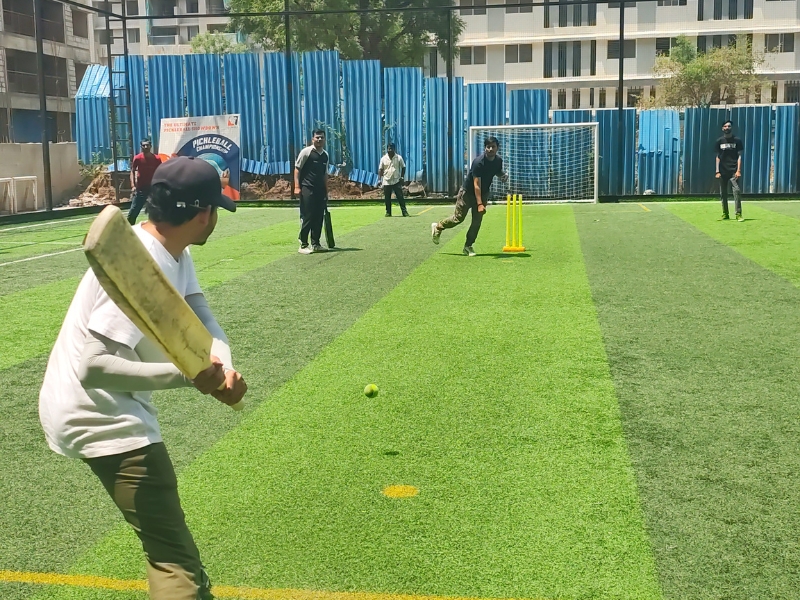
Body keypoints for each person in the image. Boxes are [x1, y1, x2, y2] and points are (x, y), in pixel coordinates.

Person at [39, 156, 247, 600]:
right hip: (98, 413)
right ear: (202, 213)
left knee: (172, 551)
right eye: (215, 208)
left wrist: (223, 367)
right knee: (176, 563)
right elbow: (94, 367)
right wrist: (189, 377)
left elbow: (199, 309)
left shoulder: (170, 250)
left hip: (103, 405)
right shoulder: (143, 264)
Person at [431, 136, 508, 256]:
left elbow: (496, 171)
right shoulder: (478, 163)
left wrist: (502, 175)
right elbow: (476, 185)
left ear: (497, 148)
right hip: (468, 193)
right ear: (485, 148)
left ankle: (468, 246)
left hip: (483, 193)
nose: (490, 149)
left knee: (477, 222)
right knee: (458, 218)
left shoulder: (498, 161)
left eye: (493, 147)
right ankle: (438, 226)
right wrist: (480, 204)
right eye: (488, 147)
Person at [294, 129, 329, 254]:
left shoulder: (325, 155)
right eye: (317, 137)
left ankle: (316, 244)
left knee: (318, 216)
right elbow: (297, 169)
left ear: (324, 139)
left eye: (322, 137)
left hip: (320, 190)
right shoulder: (306, 152)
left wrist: (326, 191)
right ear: (312, 139)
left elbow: (325, 174)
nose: (319, 139)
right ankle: (303, 244)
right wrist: (297, 187)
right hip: (307, 188)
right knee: (308, 215)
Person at [714, 120, 744, 221]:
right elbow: (717, 157)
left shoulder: (737, 141)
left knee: (737, 191)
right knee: (723, 193)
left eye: (729, 126)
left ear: (731, 128)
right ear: (722, 128)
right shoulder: (719, 141)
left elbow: (739, 156)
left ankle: (738, 214)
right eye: (725, 126)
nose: (727, 128)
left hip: (733, 171)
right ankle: (725, 213)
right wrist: (717, 171)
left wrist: (738, 170)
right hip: (722, 171)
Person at [128, 139, 162, 225]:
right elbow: (132, 171)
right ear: (141, 147)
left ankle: (157, 228)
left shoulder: (157, 159)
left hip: (153, 188)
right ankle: (129, 228)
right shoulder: (137, 158)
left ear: (151, 146)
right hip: (141, 188)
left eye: (147, 145)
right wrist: (133, 186)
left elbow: (160, 171)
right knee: (133, 211)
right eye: (144, 145)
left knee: (157, 210)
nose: (146, 147)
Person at [378, 143, 409, 217]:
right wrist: (379, 180)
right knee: (387, 198)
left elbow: (403, 167)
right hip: (387, 181)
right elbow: (380, 169)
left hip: (396, 180)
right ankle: (388, 212)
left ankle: (404, 212)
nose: (390, 150)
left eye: (391, 148)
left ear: (394, 149)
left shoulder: (398, 158)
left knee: (400, 197)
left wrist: (402, 177)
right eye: (388, 148)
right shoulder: (383, 158)